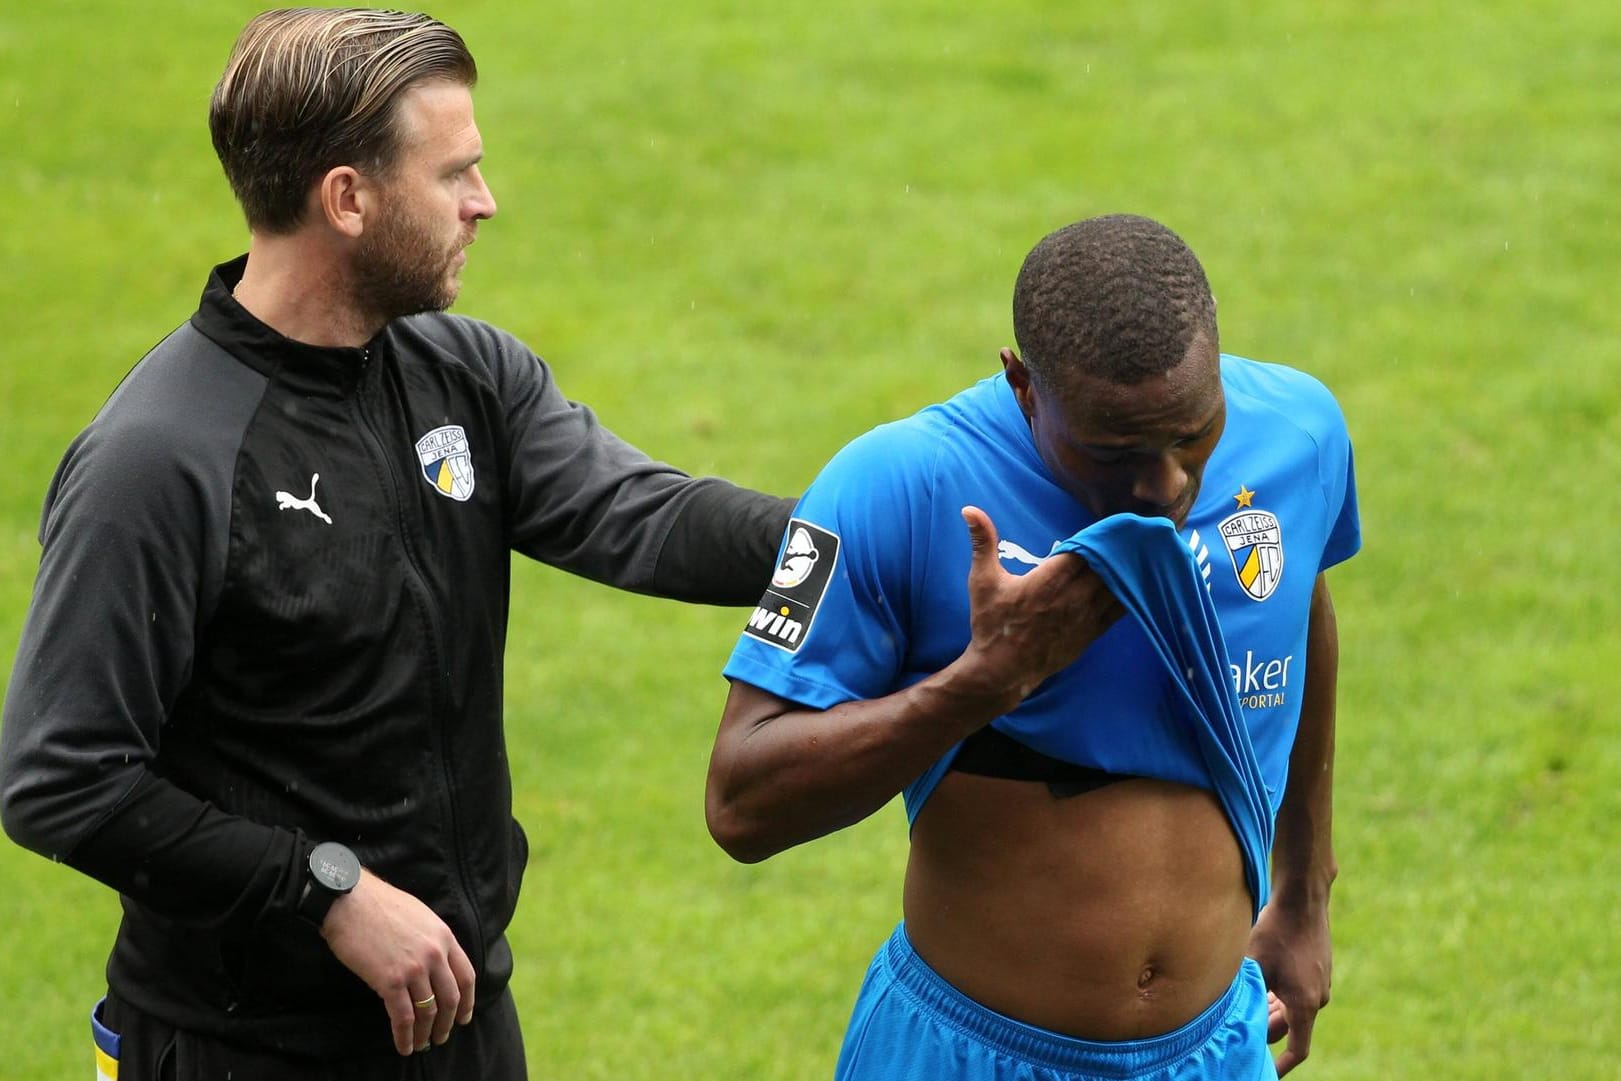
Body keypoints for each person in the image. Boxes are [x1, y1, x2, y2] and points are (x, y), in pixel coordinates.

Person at [0, 9, 792, 1080]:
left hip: (456, 1017)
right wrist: (324, 892)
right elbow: (61, 779)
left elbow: (643, 515)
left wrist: (863, 541)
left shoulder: (463, 373)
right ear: (347, 199)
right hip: (246, 1049)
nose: (485, 201)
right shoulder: (161, 459)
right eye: (454, 173)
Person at [705, 213, 1360, 1080]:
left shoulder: (1299, 432)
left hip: (1213, 1050)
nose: (1162, 484)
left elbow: (1300, 606)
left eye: (1191, 434)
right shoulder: (894, 483)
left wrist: (1304, 890)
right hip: (971, 1055)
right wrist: (985, 682)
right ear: (1021, 383)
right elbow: (740, 804)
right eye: (1113, 452)